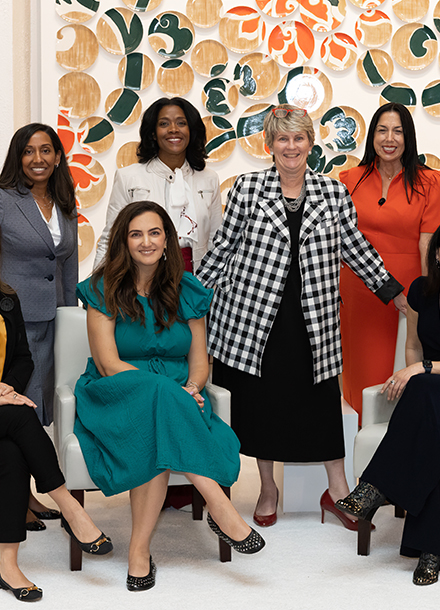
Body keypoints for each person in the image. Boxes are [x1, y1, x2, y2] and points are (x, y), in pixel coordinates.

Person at [195, 104, 403, 530]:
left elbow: (355, 247)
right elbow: (224, 246)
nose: (291, 147)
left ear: (311, 143)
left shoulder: (333, 192)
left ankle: (339, 490)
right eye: (282, 139)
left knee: (321, 402)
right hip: (254, 316)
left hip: (314, 315)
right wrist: (190, 296)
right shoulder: (248, 189)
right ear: (269, 144)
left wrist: (392, 291)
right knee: (262, 404)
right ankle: (268, 488)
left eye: (299, 138)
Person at [75, 201, 265, 592]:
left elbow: (199, 363)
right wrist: (173, 393)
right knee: (159, 399)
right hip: (116, 394)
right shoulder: (101, 287)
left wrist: (192, 389)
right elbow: (109, 363)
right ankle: (218, 504)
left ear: (168, 240)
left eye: (155, 232)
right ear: (124, 242)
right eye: (136, 234)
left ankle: (138, 553)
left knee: (158, 426)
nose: (146, 242)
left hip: (177, 397)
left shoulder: (188, 291)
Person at [336, 216, 440, 586]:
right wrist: (412, 372)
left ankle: (376, 487)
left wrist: (421, 370)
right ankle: (431, 551)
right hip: (435, 396)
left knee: (425, 392)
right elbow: (413, 344)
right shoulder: (421, 291)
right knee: (436, 435)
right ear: (436, 252)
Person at [0, 280, 112, 603]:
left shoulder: (6, 298)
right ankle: (70, 508)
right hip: (7, 410)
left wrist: (7, 387)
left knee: (10, 451)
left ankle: (7, 565)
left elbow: (24, 358)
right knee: (23, 417)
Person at [339, 102, 440, 421]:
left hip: (407, 297)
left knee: (403, 378)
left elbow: (428, 243)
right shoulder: (349, 179)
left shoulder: (431, 183)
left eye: (398, 131)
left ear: (409, 137)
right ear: (372, 136)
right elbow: (341, 241)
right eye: (382, 130)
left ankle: (398, 459)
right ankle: (364, 452)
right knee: (361, 383)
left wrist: (427, 298)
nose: (390, 138)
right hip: (357, 294)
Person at [0, 123, 78, 529]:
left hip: (53, 320)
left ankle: (27, 494)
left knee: (40, 404)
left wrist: (72, 315)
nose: (38, 159)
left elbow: (67, 265)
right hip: (13, 322)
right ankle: (23, 497)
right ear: (18, 157)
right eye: (29, 151)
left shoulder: (65, 201)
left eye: (46, 150)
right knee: (19, 403)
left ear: (58, 156)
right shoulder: (2, 200)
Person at [94, 96, 222, 273]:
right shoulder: (128, 177)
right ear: (153, 133)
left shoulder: (209, 179)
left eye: (181, 123)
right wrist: (95, 289)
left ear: (191, 130)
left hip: (194, 277)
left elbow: (216, 241)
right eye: (164, 124)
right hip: (141, 276)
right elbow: (111, 238)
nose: (173, 130)